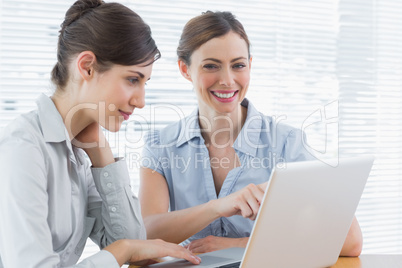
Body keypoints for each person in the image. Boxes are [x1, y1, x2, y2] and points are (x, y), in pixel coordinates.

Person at [139, 11, 363, 257]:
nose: (227, 80)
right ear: (185, 69)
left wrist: (242, 245)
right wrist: (217, 207)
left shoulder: (286, 143)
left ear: (250, 65)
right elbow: (143, 237)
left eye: (238, 65)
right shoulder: (160, 145)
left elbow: (349, 241)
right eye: (211, 66)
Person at [0, 1, 201, 267]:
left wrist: (102, 156)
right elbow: (126, 247)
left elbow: (132, 241)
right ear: (87, 67)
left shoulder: (84, 152)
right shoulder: (23, 147)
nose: (141, 101)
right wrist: (123, 251)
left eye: (145, 83)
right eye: (133, 79)